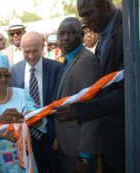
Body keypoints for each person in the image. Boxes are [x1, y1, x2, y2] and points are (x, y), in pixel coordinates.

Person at [54, 1, 125, 172]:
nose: (85, 21)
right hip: (77, 144)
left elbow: (123, 93)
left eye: (88, 14)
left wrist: (85, 156)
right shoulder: (103, 39)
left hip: (117, 140)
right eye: (62, 34)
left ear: (104, 5)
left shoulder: (126, 32)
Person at [53, 17, 101, 173]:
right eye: (62, 33)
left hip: (78, 150)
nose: (66, 38)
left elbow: (92, 110)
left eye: (72, 33)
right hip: (66, 144)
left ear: (82, 35)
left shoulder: (87, 61)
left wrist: (84, 156)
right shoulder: (68, 60)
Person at [11, 31, 62, 173]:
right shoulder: (15, 71)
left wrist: (59, 133)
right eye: (27, 52)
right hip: (26, 136)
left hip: (52, 136)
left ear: (43, 47)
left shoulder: (56, 68)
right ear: (21, 49)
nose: (31, 56)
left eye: (35, 51)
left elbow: (61, 104)